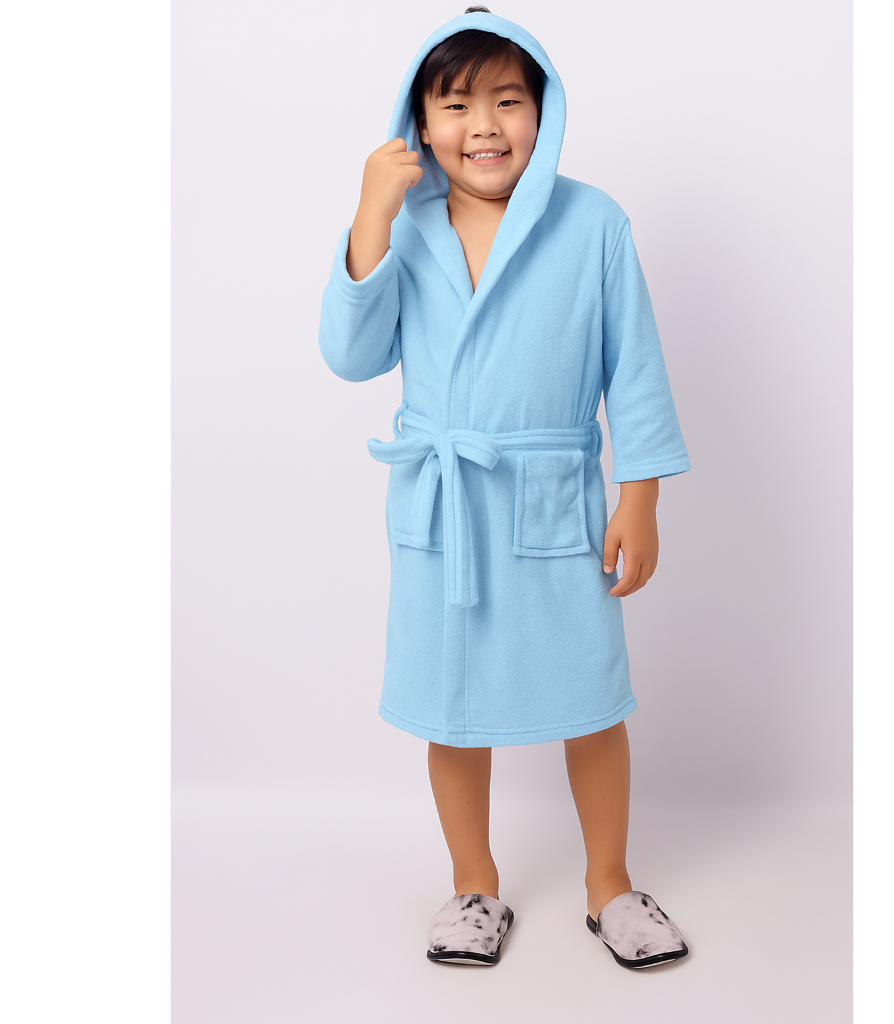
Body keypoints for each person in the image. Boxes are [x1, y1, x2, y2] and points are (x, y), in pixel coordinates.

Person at [318, 7, 691, 969]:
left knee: (592, 700)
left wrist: (641, 493)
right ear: (419, 123)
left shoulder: (592, 222)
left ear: (543, 112)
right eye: (456, 105)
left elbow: (635, 368)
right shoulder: (403, 225)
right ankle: (473, 886)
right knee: (453, 707)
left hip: (553, 502)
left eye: (508, 101)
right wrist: (368, 215)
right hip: (447, 512)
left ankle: (609, 885)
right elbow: (351, 355)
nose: (484, 126)